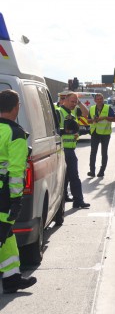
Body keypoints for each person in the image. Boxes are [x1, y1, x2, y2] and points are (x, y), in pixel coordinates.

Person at [0, 89, 37, 293]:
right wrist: (16, 199)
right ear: (16, 107)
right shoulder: (16, 133)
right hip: (3, 194)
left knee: (5, 234)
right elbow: (15, 171)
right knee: (2, 233)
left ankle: (12, 278)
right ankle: (12, 278)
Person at [57, 92, 90, 209]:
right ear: (65, 100)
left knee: (66, 175)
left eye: (75, 102)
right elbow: (55, 130)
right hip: (62, 149)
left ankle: (65, 196)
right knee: (74, 176)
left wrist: (79, 103)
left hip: (70, 148)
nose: (74, 104)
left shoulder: (75, 111)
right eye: (72, 101)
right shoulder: (59, 112)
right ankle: (78, 200)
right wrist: (65, 131)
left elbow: (87, 114)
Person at [87, 93, 115, 178]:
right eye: (98, 99)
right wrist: (93, 120)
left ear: (103, 100)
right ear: (95, 100)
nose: (99, 100)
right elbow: (88, 121)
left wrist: (104, 117)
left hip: (105, 133)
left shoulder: (108, 108)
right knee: (93, 152)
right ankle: (92, 171)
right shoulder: (92, 108)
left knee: (104, 152)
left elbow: (114, 119)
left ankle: (102, 171)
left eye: (101, 99)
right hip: (95, 132)